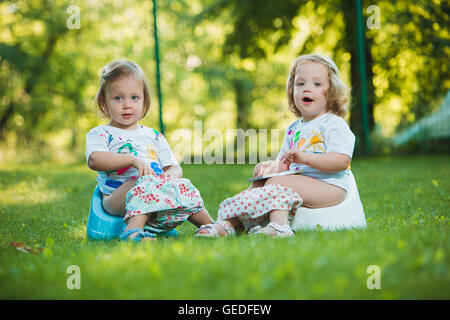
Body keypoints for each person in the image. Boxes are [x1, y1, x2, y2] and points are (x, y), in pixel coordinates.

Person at [196, 54, 355, 238]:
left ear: (332, 91)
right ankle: (229, 223)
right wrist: (268, 168)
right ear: (291, 89)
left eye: (317, 84)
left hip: (330, 187)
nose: (307, 89)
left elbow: (341, 161)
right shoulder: (294, 128)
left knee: (277, 183)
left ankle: (279, 227)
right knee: (261, 182)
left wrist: (304, 158)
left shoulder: (333, 124)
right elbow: (283, 166)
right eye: (300, 84)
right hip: (298, 182)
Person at [86, 60, 213, 241]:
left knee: (184, 184)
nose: (127, 105)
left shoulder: (154, 136)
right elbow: (95, 160)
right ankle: (133, 231)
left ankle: (210, 226)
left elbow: (174, 167)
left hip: (155, 190)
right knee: (144, 182)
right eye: (118, 98)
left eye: (134, 97)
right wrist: (132, 160)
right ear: (104, 102)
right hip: (116, 199)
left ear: (144, 100)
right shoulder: (101, 133)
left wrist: (168, 178)